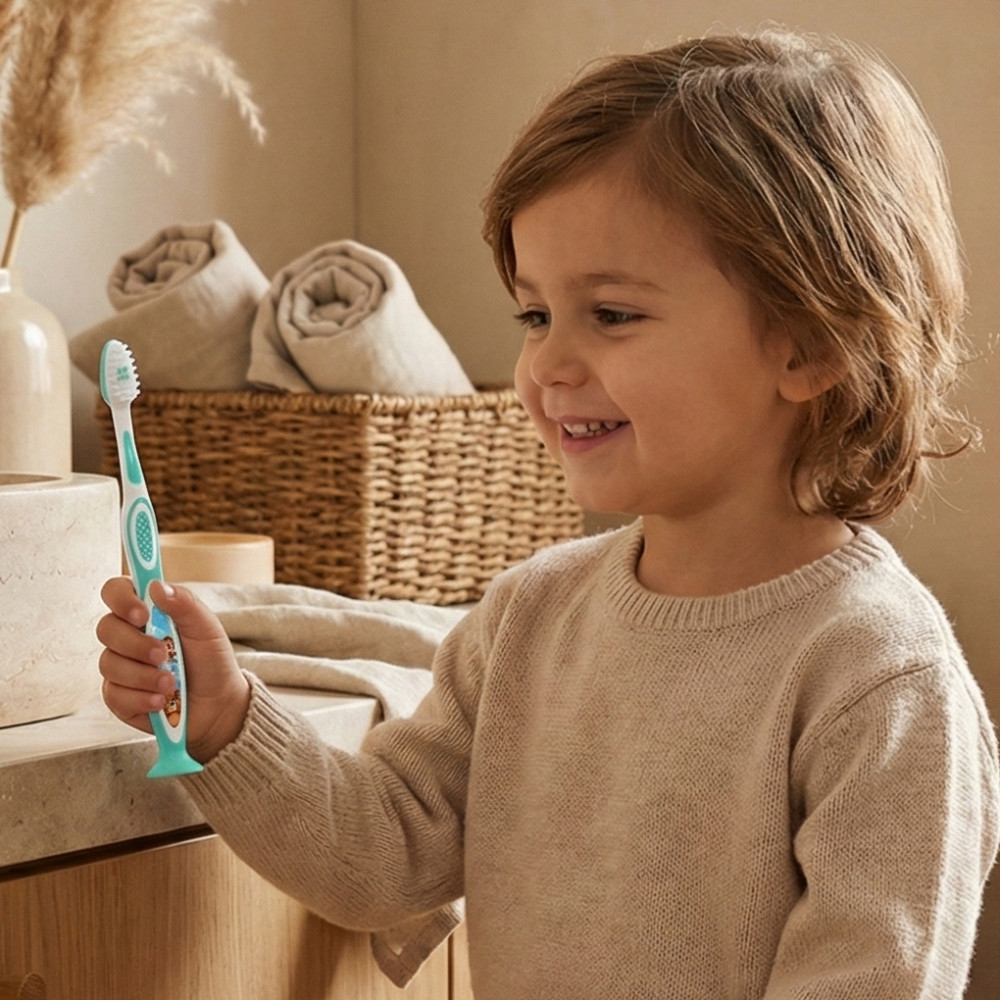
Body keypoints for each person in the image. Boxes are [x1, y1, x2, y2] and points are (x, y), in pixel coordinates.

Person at [97, 27, 1000, 999]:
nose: (546, 366)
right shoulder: (528, 618)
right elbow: (384, 855)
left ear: (809, 345)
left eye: (610, 314)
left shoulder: (877, 677)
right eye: (535, 314)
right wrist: (229, 720)